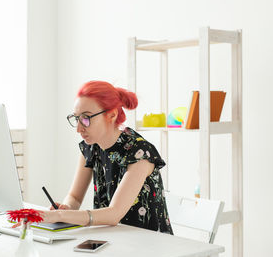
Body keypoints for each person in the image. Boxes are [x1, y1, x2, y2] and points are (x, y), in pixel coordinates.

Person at [39, 80, 173, 233]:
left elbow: (114, 214)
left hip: (151, 244)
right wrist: (66, 208)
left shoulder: (140, 152)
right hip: (113, 239)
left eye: (86, 118)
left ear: (112, 115)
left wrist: (61, 215)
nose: (78, 128)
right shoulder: (91, 147)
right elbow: (75, 197)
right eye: (76, 118)